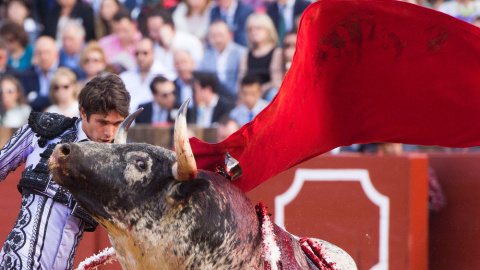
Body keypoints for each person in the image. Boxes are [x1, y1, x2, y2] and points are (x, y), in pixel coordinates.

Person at [0, 73, 130, 269]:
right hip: (18, 261)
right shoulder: (44, 132)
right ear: (83, 113)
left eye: (117, 123)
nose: (109, 133)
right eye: (102, 122)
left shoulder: (116, 163)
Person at [120, 37, 171, 113]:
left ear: (153, 53)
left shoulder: (166, 75)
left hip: (155, 122)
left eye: (145, 53)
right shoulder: (124, 77)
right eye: (137, 54)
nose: (141, 57)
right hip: (129, 122)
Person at [238, 13, 283, 98]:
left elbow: (276, 82)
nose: (254, 32)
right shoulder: (246, 56)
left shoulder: (276, 52)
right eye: (250, 29)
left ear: (268, 30)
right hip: (250, 97)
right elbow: (241, 82)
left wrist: (259, 90)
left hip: (267, 96)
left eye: (258, 28)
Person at [146, 9, 204, 73]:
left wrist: (169, 44)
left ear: (170, 27)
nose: (152, 34)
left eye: (156, 30)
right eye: (150, 30)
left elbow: (197, 68)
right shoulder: (152, 48)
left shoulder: (190, 41)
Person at [199, 20, 247, 97]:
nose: (217, 40)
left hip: (236, 97)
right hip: (214, 99)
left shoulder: (242, 53)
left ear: (230, 35)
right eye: (213, 36)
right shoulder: (205, 57)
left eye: (220, 35)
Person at [16, 36, 60, 112]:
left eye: (47, 52)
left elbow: (62, 98)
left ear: (56, 54)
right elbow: (24, 100)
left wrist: (36, 98)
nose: (43, 57)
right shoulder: (26, 74)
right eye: (39, 53)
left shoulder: (65, 72)